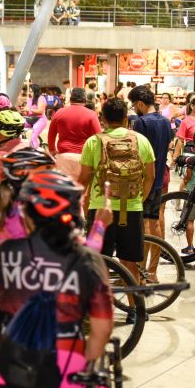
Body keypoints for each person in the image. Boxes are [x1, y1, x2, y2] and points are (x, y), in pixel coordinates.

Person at [0, 170, 113, 388]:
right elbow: (101, 331)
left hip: (7, 374)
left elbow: (0, 291)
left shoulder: (6, 252)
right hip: (64, 379)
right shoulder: (88, 261)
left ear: (26, 213)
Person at [79, 98, 155, 322]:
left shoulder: (94, 142)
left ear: (102, 118)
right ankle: (134, 310)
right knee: (129, 261)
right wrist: (139, 198)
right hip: (131, 208)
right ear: (126, 118)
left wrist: (81, 201)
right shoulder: (141, 140)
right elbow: (149, 176)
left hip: (101, 209)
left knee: (99, 261)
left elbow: (84, 178)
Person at [128, 85, 171, 273]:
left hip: (144, 179)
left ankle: (140, 271)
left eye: (133, 105)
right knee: (155, 224)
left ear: (139, 103)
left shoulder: (141, 122)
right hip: (160, 178)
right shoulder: (165, 121)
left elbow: (137, 154)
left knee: (143, 226)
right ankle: (153, 272)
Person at [47, 87, 102, 182]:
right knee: (83, 191)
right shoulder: (91, 114)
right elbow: (99, 137)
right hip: (85, 159)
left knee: (64, 192)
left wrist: (52, 150)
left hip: (64, 157)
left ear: (70, 99)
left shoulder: (59, 113)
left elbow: (51, 135)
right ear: (85, 100)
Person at [173, 94, 195, 159]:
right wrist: (175, 156)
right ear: (192, 106)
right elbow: (180, 141)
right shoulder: (186, 121)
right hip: (191, 152)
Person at [25, 84, 47, 149]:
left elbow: (40, 111)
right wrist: (24, 110)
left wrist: (29, 109)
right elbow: (27, 111)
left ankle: (35, 151)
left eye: (31, 91)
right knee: (19, 126)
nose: (29, 93)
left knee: (33, 136)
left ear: (36, 91)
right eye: (29, 91)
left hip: (40, 119)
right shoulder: (30, 99)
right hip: (31, 119)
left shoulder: (41, 98)